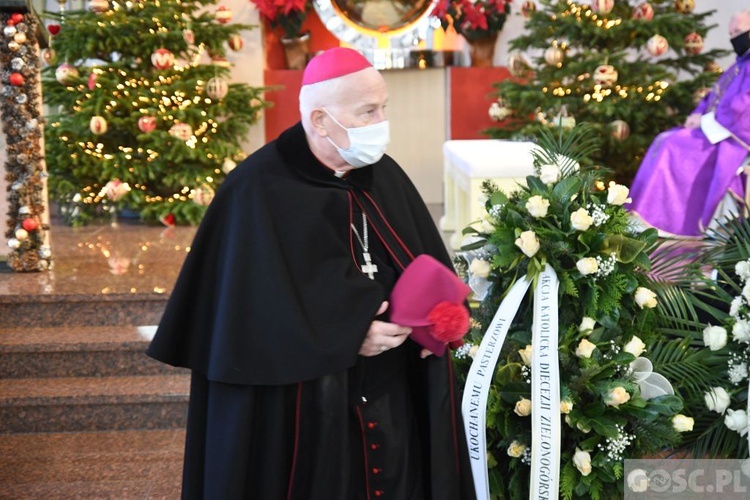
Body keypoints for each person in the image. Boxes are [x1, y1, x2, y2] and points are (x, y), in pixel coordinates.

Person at [147, 47, 476, 499]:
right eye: (368, 111)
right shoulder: (256, 190)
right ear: (320, 121)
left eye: (383, 108)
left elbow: (421, 259)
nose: (382, 122)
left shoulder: (382, 174)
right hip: (302, 412)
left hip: (389, 396)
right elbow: (254, 314)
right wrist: (350, 331)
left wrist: (436, 321)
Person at [627, 9, 750, 237]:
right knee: (665, 139)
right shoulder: (738, 65)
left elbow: (742, 112)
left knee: (671, 146)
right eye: (731, 32)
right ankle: (642, 220)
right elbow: (712, 97)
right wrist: (697, 117)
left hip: (728, 140)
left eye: (740, 32)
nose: (735, 38)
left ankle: (666, 227)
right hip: (711, 130)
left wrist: (704, 121)